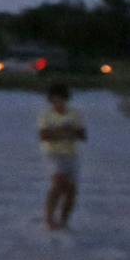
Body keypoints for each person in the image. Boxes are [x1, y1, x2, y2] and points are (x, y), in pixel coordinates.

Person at [37, 83, 86, 231]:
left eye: (61, 99)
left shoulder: (74, 114)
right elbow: (44, 136)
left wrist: (68, 132)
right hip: (53, 153)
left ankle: (64, 220)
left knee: (71, 190)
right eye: (55, 99)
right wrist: (62, 132)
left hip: (71, 154)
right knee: (58, 183)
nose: (58, 103)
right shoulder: (46, 114)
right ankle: (49, 219)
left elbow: (82, 135)